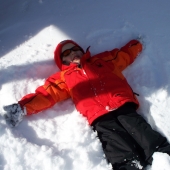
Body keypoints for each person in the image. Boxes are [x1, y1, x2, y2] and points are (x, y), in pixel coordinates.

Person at [3, 39, 170, 170]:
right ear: (62, 60)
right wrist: (23, 107)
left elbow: (122, 56)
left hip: (121, 103)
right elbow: (47, 94)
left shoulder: (101, 60)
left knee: (140, 129)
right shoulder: (63, 78)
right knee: (114, 141)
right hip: (98, 116)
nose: (73, 52)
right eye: (67, 52)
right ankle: (127, 166)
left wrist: (136, 45)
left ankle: (163, 155)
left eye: (76, 49)